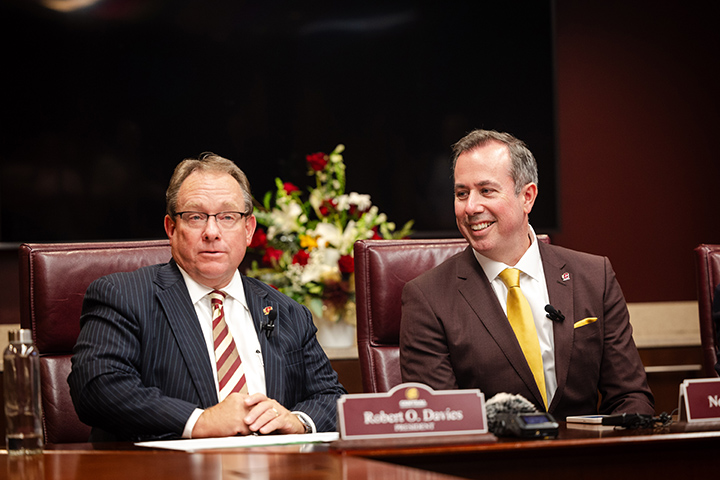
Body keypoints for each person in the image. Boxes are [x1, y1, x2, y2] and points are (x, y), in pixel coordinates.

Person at [69, 153, 347, 442]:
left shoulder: (287, 312)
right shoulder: (123, 296)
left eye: (228, 217)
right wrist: (199, 421)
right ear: (171, 229)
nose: (212, 232)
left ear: (249, 229)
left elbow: (332, 398)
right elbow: (96, 388)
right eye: (195, 217)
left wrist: (296, 421)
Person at [399, 129, 654, 418]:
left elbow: (630, 397)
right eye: (461, 193)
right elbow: (443, 420)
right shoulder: (428, 298)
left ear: (527, 197)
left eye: (486, 191)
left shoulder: (594, 277)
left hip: (587, 458)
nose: (470, 207)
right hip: (492, 460)